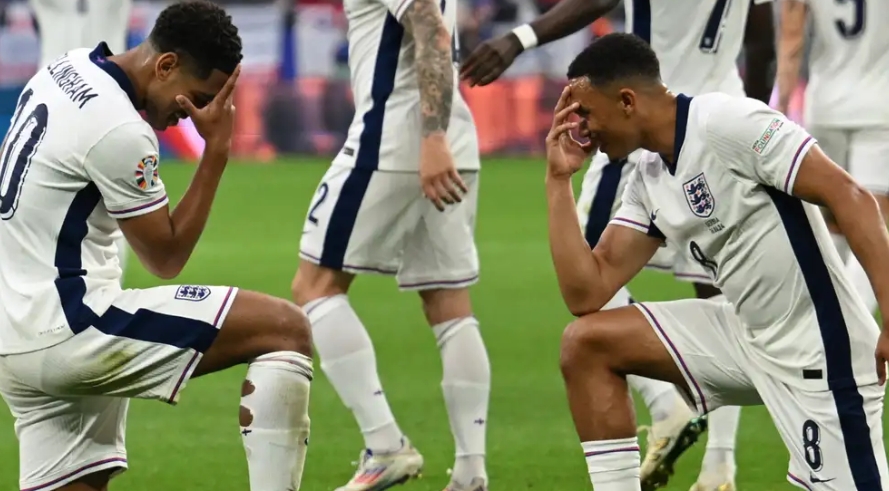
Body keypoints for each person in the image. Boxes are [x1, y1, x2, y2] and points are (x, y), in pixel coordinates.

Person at [547, 32, 889, 491]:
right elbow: (585, 292)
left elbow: (851, 197)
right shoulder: (648, 176)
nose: (581, 128)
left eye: (585, 111)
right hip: (747, 337)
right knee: (586, 343)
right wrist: (558, 179)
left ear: (626, 101)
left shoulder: (730, 121)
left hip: (822, 352)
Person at [0, 3, 315, 491]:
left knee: (81, 482)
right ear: (165, 65)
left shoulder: (64, 67)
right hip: (70, 327)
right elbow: (165, 257)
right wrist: (216, 152)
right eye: (197, 96)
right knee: (286, 329)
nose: (193, 113)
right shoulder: (121, 128)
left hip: (13, 329)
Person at [462, 1, 776, 489]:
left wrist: (519, 38)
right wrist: (752, 112)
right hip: (721, 117)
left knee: (589, 264)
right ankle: (719, 466)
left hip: (643, 116)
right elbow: (762, 40)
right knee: (718, 287)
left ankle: (665, 402)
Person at [290, 0, 490, 487]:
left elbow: (432, 31)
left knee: (314, 286)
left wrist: (431, 137)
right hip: (451, 136)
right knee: (448, 303)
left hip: (399, 140)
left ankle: (385, 446)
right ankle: (470, 473)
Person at [776, 0, 889, 317]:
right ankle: (852, 334)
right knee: (875, 226)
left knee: (834, 224)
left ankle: (821, 330)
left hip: (824, 106)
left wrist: (781, 104)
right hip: (881, 106)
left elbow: (792, 38)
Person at [30, 0, 134, 285]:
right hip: (53, 86)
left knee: (113, 202)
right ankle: (39, 289)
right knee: (39, 198)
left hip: (105, 90)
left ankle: (108, 287)